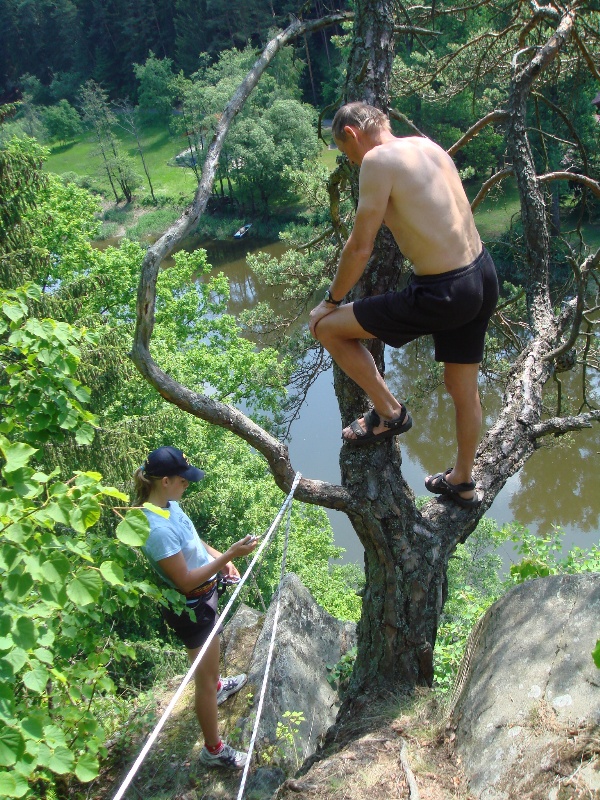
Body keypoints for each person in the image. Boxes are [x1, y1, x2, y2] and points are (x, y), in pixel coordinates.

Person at [309, 102, 499, 508]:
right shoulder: (426, 145)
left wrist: (331, 301)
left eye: (347, 154)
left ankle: (390, 413)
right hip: (482, 274)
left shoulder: (377, 159)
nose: (352, 161)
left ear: (353, 135)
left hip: (443, 291)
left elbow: (360, 248)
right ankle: (463, 482)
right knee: (462, 389)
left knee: (326, 328)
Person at [133, 446, 258, 769]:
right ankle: (213, 750)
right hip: (192, 607)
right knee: (203, 679)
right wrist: (229, 556)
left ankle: (216, 686)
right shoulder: (155, 530)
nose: (187, 484)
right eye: (183, 480)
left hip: (205, 596)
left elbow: (193, 541)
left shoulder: (169, 505)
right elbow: (185, 581)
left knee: (208, 673)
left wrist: (218, 560)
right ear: (164, 481)